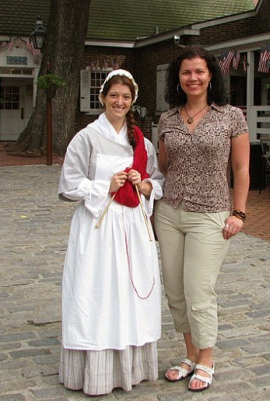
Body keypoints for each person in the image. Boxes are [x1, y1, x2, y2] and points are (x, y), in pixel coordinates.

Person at [58, 69, 164, 395]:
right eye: (114, 95)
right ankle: (97, 368)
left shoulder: (141, 142)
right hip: (98, 228)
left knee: (129, 293)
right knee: (98, 291)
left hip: (132, 224)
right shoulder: (86, 138)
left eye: (126, 97)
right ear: (102, 97)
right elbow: (68, 185)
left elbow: (157, 182)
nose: (119, 102)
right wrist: (105, 185)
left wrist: (142, 183)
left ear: (132, 102)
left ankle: (131, 364)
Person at [155, 46, 250, 392]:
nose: (192, 78)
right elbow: (164, 167)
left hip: (210, 214)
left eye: (199, 71)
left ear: (211, 75)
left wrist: (238, 212)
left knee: (199, 289)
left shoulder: (230, 116)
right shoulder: (167, 119)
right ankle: (190, 354)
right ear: (177, 79)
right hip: (169, 213)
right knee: (175, 291)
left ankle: (207, 359)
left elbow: (241, 168)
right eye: (185, 73)